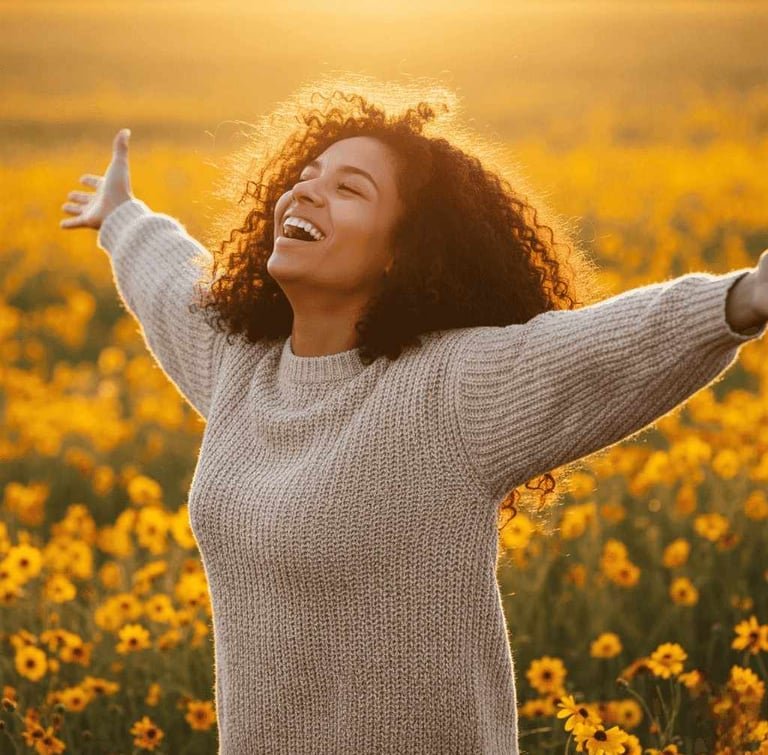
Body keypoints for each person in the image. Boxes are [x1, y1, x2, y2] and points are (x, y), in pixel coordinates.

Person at [60, 90, 767, 755]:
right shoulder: (240, 365)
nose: (306, 190)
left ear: (403, 252)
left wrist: (744, 297)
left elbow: (606, 348)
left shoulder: (448, 391)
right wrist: (123, 217)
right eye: (308, 174)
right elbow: (172, 281)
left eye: (349, 188)